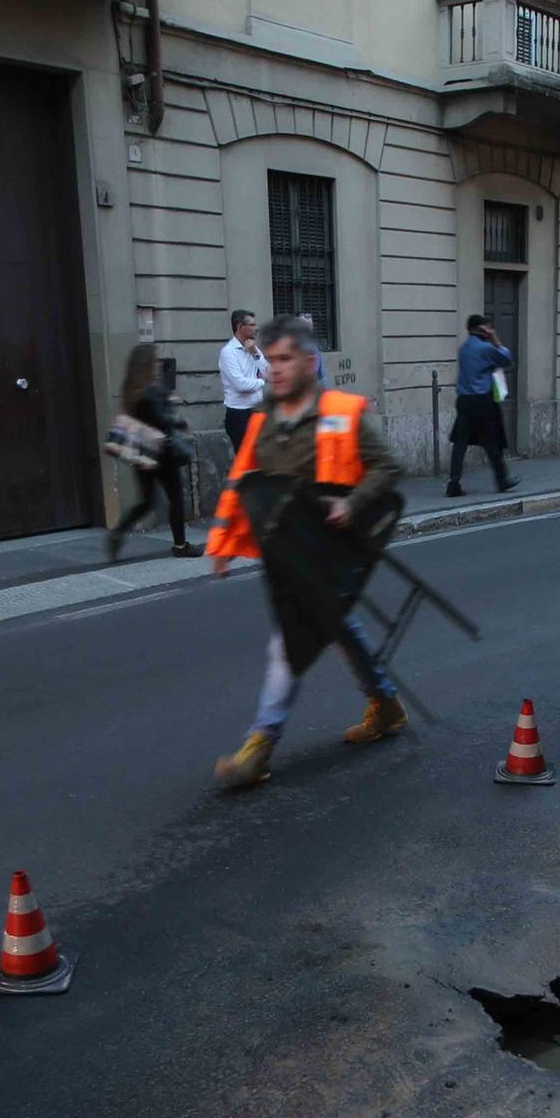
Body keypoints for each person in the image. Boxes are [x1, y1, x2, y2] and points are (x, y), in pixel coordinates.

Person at [205, 315, 409, 789]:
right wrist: (224, 546)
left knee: (290, 642)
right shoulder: (264, 421)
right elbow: (243, 483)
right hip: (289, 553)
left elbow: (388, 467)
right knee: (340, 627)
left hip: (337, 552)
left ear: (308, 361)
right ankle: (386, 703)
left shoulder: (340, 411)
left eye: (283, 359)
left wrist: (352, 501)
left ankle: (260, 744)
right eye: (268, 359)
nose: (273, 368)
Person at [108, 342, 199, 559]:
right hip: (163, 452)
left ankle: (118, 532)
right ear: (149, 364)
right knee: (175, 498)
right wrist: (180, 422)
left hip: (141, 450)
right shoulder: (152, 391)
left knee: (146, 501)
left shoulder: (131, 389)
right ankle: (180, 545)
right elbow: (161, 419)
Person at [446, 313, 519, 498]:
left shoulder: (464, 349)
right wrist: (495, 339)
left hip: (464, 401)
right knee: (492, 441)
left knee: (460, 443)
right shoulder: (485, 348)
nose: (489, 330)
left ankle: (453, 483)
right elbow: (507, 359)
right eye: (487, 327)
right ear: (480, 329)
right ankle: (502, 480)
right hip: (482, 401)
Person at [218, 310, 266, 451]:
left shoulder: (253, 349)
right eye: (252, 325)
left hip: (257, 411)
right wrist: (261, 382)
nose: (255, 328)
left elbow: (268, 372)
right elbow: (241, 385)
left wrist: (255, 354)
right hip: (239, 415)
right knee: (246, 460)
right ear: (240, 327)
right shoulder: (228, 352)